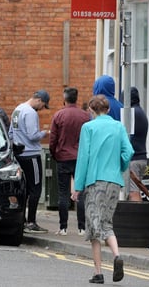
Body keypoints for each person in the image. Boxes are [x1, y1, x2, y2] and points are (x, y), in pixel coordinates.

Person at [72, 94, 133, 284]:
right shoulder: (118, 126)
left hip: (94, 181)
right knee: (107, 224)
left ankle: (98, 272)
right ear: (108, 109)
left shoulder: (88, 127)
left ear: (91, 110)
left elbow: (84, 158)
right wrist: (119, 167)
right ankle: (116, 255)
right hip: (114, 181)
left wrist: (77, 186)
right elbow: (128, 152)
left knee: (93, 228)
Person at [49, 87, 90, 236]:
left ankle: (63, 227)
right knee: (81, 193)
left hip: (63, 157)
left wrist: (54, 154)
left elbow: (53, 139)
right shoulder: (85, 116)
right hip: (80, 158)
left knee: (63, 193)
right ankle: (82, 228)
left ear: (64, 98)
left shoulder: (58, 115)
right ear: (76, 98)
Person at [9, 89, 51, 234]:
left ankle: (21, 220)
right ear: (39, 100)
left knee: (23, 188)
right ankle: (31, 222)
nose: (42, 109)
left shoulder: (17, 110)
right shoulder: (30, 113)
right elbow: (33, 136)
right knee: (36, 188)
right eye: (43, 105)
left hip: (19, 154)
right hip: (31, 154)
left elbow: (10, 133)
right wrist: (45, 133)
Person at [125, 86, 149, 202]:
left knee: (133, 192)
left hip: (134, 159)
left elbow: (129, 137)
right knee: (136, 190)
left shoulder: (132, 113)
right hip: (142, 157)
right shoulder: (141, 112)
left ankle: (137, 219)